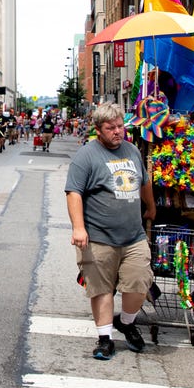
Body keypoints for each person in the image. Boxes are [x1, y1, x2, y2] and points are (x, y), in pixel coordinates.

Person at [65, 103, 155, 360]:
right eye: (111, 128)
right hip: (99, 238)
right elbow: (74, 192)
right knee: (101, 289)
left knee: (139, 283)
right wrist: (79, 228)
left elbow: (144, 182)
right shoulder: (87, 155)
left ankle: (126, 322)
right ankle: (105, 339)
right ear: (98, 130)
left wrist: (151, 208)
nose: (118, 131)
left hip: (133, 236)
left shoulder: (132, 150)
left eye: (120, 126)